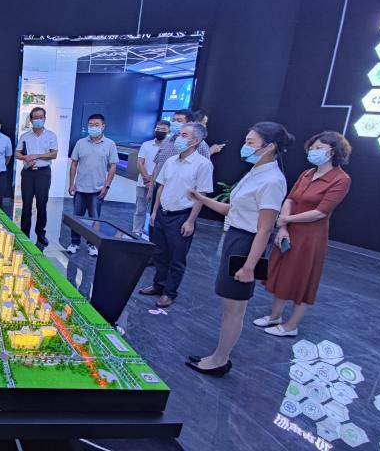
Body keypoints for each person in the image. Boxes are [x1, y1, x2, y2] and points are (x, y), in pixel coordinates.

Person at [186, 121, 293, 376]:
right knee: (227, 305)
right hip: (235, 237)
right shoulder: (255, 171)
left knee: (234, 309)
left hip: (247, 245)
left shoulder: (272, 180)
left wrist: (249, 267)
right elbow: (233, 209)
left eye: (250, 142)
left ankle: (220, 360)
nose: (245, 146)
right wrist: (202, 199)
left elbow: (264, 229)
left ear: (270, 147)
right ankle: (217, 355)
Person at [256, 131, 352, 337]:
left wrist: (286, 220)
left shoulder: (341, 179)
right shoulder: (307, 173)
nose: (313, 151)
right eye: (312, 147)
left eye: (319, 148)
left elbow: (320, 212)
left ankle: (291, 325)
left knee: (302, 279)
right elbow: (290, 199)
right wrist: (283, 226)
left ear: (333, 152)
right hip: (288, 230)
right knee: (282, 274)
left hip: (310, 238)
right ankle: (275, 316)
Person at [137, 123, 213, 308]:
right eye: (179, 134)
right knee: (159, 253)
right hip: (162, 214)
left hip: (181, 217)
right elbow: (161, 187)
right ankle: (158, 285)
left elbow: (201, 196)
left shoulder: (203, 165)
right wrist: (154, 212)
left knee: (176, 258)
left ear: (195, 141)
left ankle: (169, 293)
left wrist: (190, 221)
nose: (178, 138)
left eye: (184, 135)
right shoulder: (171, 161)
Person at [66, 114, 119, 256]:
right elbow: (74, 164)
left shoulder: (110, 144)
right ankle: (74, 242)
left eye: (96, 125)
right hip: (80, 188)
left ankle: (92, 244)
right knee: (77, 217)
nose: (93, 127)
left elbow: (113, 166)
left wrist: (106, 186)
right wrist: (71, 184)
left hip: (98, 189)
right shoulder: (80, 143)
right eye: (90, 124)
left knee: (95, 218)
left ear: (103, 126)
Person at [16, 107, 58, 246]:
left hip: (43, 173)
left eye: (40, 117)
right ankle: (24, 233)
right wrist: (26, 157)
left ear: (44, 118)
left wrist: (36, 156)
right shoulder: (25, 136)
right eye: (35, 117)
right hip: (28, 173)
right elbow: (17, 153)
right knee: (26, 204)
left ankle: (40, 233)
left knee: (41, 204)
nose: (38, 120)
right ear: (31, 119)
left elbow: (54, 154)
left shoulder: (51, 135)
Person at [133, 121, 169, 238]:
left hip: (161, 185)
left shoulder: (169, 147)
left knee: (157, 212)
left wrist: (154, 183)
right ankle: (136, 232)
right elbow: (140, 163)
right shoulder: (146, 144)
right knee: (140, 210)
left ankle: (154, 235)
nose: (160, 131)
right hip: (143, 183)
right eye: (158, 128)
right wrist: (148, 180)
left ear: (168, 131)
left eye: (163, 129)